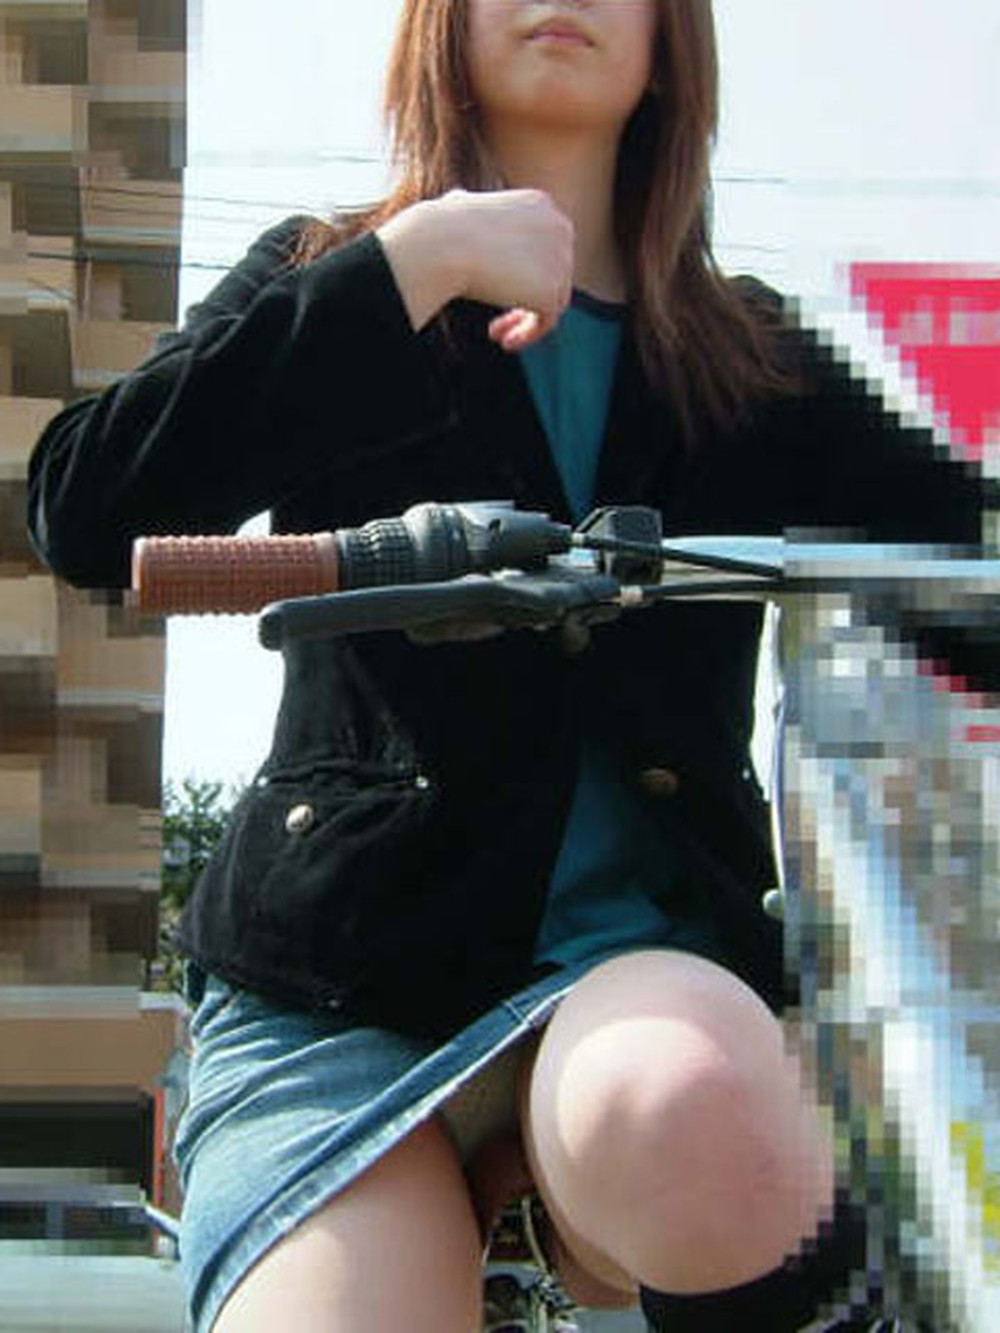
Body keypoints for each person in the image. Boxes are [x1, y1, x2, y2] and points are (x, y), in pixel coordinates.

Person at [26, 2, 990, 1330]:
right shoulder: (337, 275)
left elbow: (970, 573)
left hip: (640, 976)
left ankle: (574, 1208)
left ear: (671, 38)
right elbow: (85, 510)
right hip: (334, 991)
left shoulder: (750, 355)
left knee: (698, 1105)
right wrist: (410, 264)